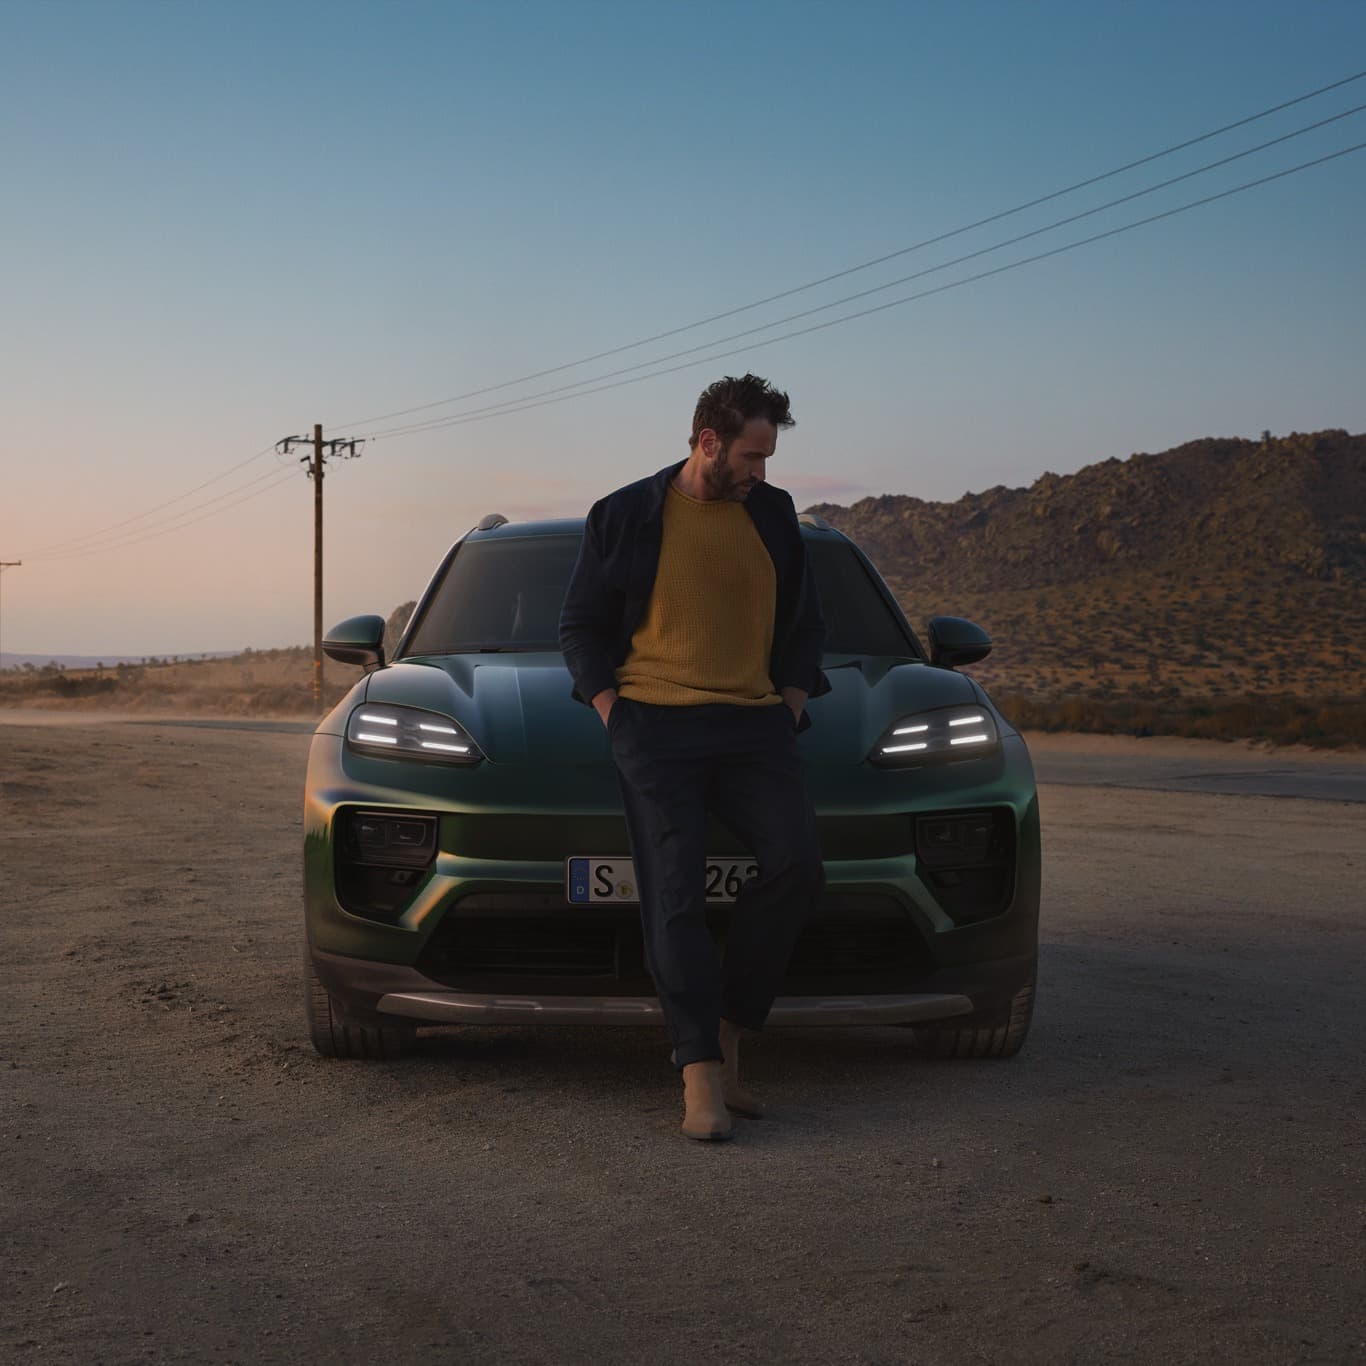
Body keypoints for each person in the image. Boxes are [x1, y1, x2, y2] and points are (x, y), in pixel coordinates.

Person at [559, 373, 830, 1142]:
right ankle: (701, 1079)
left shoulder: (773, 515)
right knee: (672, 896)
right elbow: (578, 624)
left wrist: (791, 701)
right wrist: (615, 715)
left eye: (768, 456)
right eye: (751, 455)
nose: (761, 471)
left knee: (798, 868)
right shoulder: (624, 515)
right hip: (657, 726)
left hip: (755, 728)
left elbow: (808, 622)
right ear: (707, 442)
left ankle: (729, 1034)